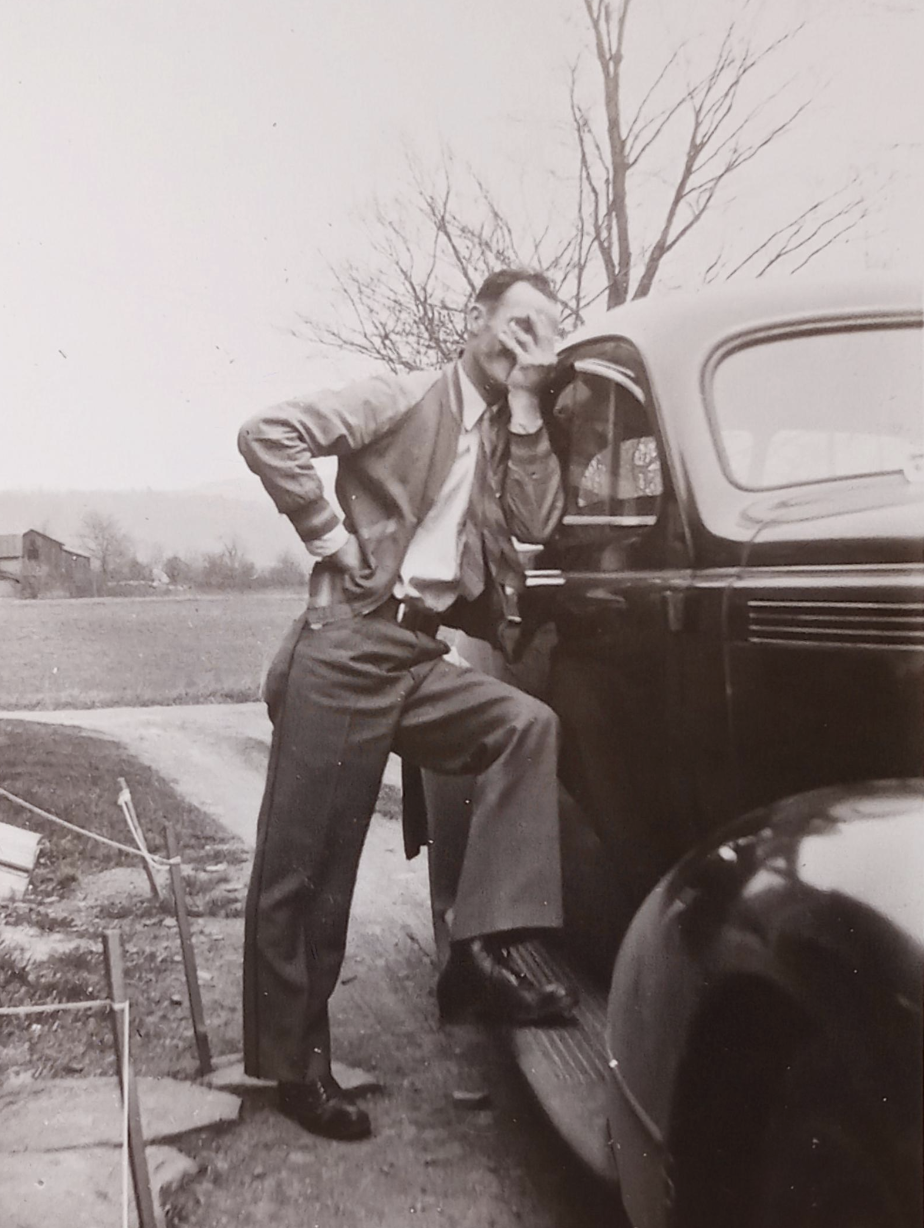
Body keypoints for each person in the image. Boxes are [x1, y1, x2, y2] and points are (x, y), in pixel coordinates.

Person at [238, 268, 575, 1143]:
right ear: (476, 319)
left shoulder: (507, 427)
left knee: (525, 729)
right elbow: (268, 432)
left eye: (542, 332)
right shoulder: (401, 394)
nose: (525, 344)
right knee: (307, 872)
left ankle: (476, 953)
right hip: (345, 647)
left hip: (417, 652)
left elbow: (538, 520)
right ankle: (295, 1069)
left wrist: (530, 406)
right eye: (516, 325)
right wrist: (328, 536)